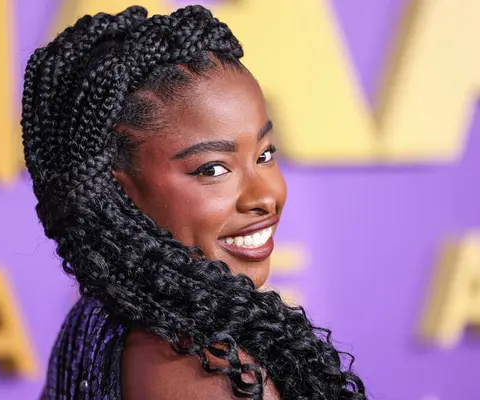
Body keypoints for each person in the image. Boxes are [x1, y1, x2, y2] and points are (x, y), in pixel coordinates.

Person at [21, 5, 367, 400]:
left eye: (265, 155)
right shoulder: (213, 377)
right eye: (214, 168)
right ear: (116, 193)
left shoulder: (107, 315)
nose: (265, 197)